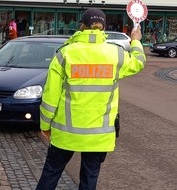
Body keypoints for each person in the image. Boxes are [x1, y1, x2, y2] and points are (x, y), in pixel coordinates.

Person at [36, 8, 146, 190]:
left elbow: (50, 97)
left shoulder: (65, 54)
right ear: (103, 27)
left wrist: (45, 125)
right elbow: (139, 62)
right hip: (99, 135)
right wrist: (135, 41)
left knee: (51, 173)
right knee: (89, 179)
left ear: (82, 26)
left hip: (66, 133)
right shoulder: (116, 54)